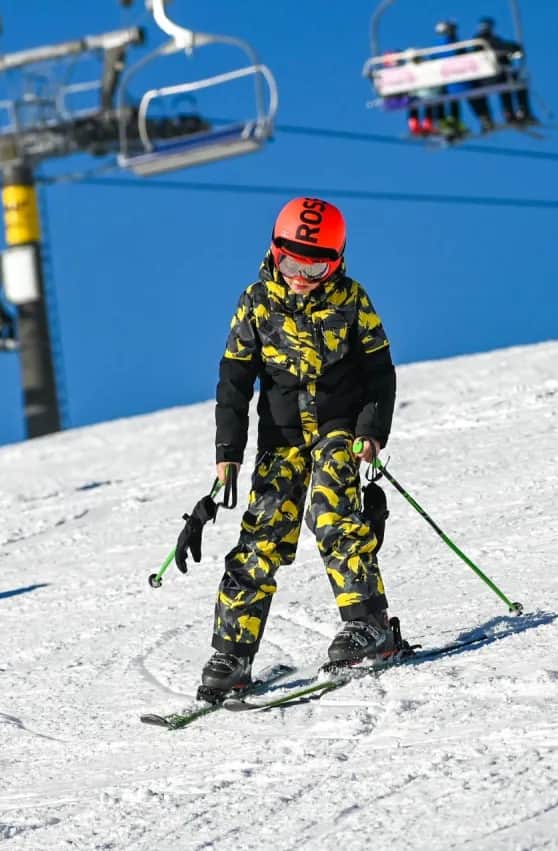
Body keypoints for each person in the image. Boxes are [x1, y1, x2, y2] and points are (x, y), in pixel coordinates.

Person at [188, 197, 398, 703]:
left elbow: (378, 371)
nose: (303, 275)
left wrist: (370, 431)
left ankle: (368, 624)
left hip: (337, 428)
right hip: (281, 438)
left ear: (338, 260)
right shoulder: (256, 301)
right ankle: (232, 654)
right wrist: (228, 449)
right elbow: (234, 381)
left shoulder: (351, 300)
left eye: (316, 265)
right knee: (261, 537)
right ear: (274, 251)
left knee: (332, 514)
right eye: (292, 262)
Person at [473, 16, 534, 127]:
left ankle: (511, 113)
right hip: (492, 77)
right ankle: (520, 111)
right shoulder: (483, 42)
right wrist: (515, 48)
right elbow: (503, 47)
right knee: (517, 82)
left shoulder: (483, 42)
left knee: (510, 84)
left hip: (492, 77)